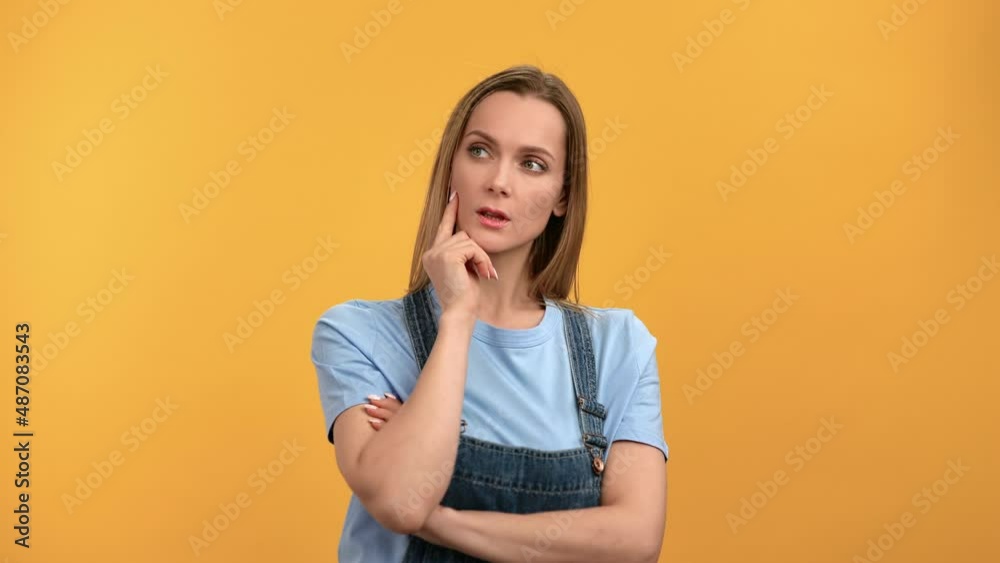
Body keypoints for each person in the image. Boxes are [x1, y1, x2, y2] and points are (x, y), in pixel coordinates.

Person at [311, 64, 669, 562]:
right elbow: (399, 500)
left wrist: (440, 519)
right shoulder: (359, 334)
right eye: (480, 151)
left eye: (532, 164)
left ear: (563, 196)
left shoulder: (619, 346)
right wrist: (458, 318)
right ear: (451, 166)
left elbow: (634, 541)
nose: (499, 181)